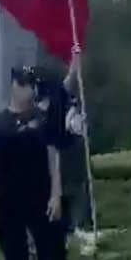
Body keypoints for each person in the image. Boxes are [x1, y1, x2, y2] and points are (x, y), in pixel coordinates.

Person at [0, 67, 65, 260]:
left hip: (40, 197)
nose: (28, 90)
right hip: (8, 200)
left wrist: (56, 195)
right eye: (23, 84)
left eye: (30, 85)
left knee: (51, 251)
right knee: (14, 253)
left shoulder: (43, 120)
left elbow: (53, 158)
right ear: (14, 86)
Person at [34, 54, 91, 237]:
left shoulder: (59, 94)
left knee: (78, 189)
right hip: (56, 158)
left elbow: (71, 77)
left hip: (73, 153)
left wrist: (75, 58)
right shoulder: (39, 113)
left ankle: (79, 225)